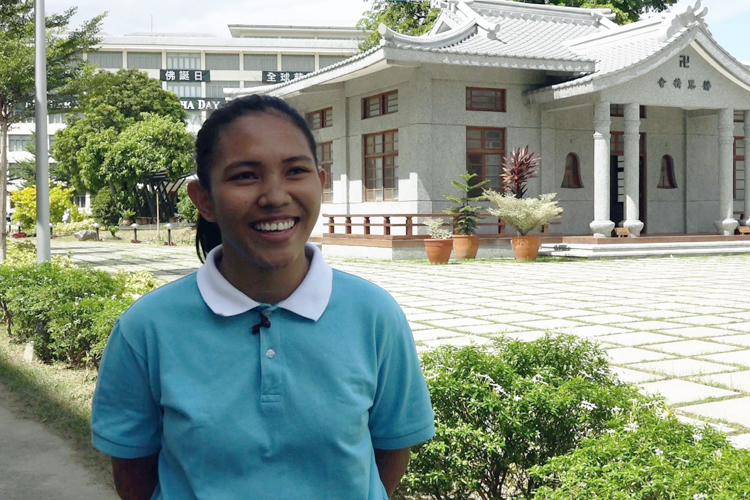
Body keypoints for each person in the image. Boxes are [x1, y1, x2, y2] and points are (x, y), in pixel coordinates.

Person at [90, 94, 435, 500]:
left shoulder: (374, 316)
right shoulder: (146, 328)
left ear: (321, 184)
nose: (274, 195)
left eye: (295, 171)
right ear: (203, 199)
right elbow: (133, 474)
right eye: (245, 176)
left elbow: (390, 452)